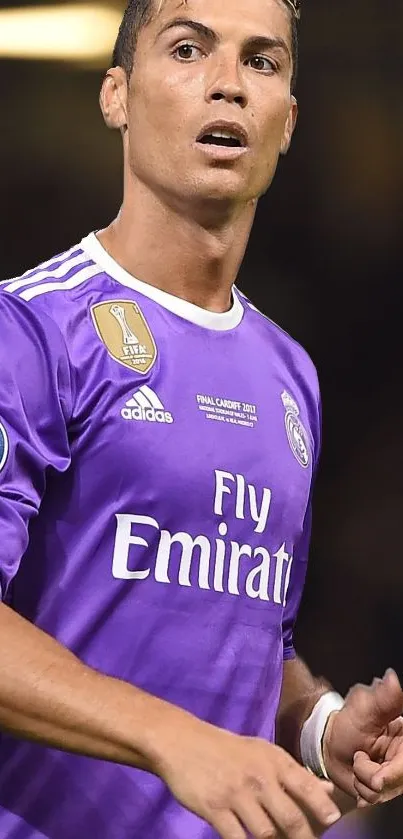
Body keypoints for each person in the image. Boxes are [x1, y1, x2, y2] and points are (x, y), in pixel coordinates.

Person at [1, 0, 403, 837]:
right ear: (116, 94)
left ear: (287, 119)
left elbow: (251, 635)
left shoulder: (290, 373)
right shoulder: (30, 330)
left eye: (261, 63)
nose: (227, 85)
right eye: (188, 49)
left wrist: (320, 725)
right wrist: (172, 739)